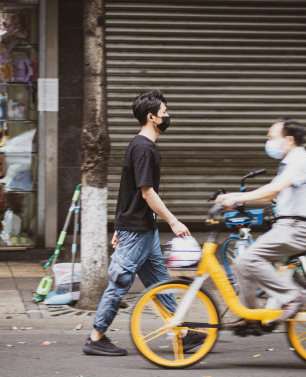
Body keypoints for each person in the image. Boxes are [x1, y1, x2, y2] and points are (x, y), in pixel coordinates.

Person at [83, 89, 205, 356]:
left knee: (160, 282)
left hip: (142, 229)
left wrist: (118, 226)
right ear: (151, 117)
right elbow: (146, 192)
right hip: (136, 231)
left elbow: (126, 189)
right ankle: (96, 337)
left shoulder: (143, 146)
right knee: (120, 281)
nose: (167, 116)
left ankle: (181, 332)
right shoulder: (143, 148)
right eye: (164, 112)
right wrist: (173, 222)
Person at [216, 119, 306, 334]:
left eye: (271, 137)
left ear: (289, 139)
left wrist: (236, 197)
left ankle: (293, 296)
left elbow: (273, 190)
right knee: (241, 263)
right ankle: (250, 317)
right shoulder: (290, 162)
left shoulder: (302, 160)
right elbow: (273, 192)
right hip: (288, 226)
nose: (268, 142)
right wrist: (237, 198)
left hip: (298, 228)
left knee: (249, 259)